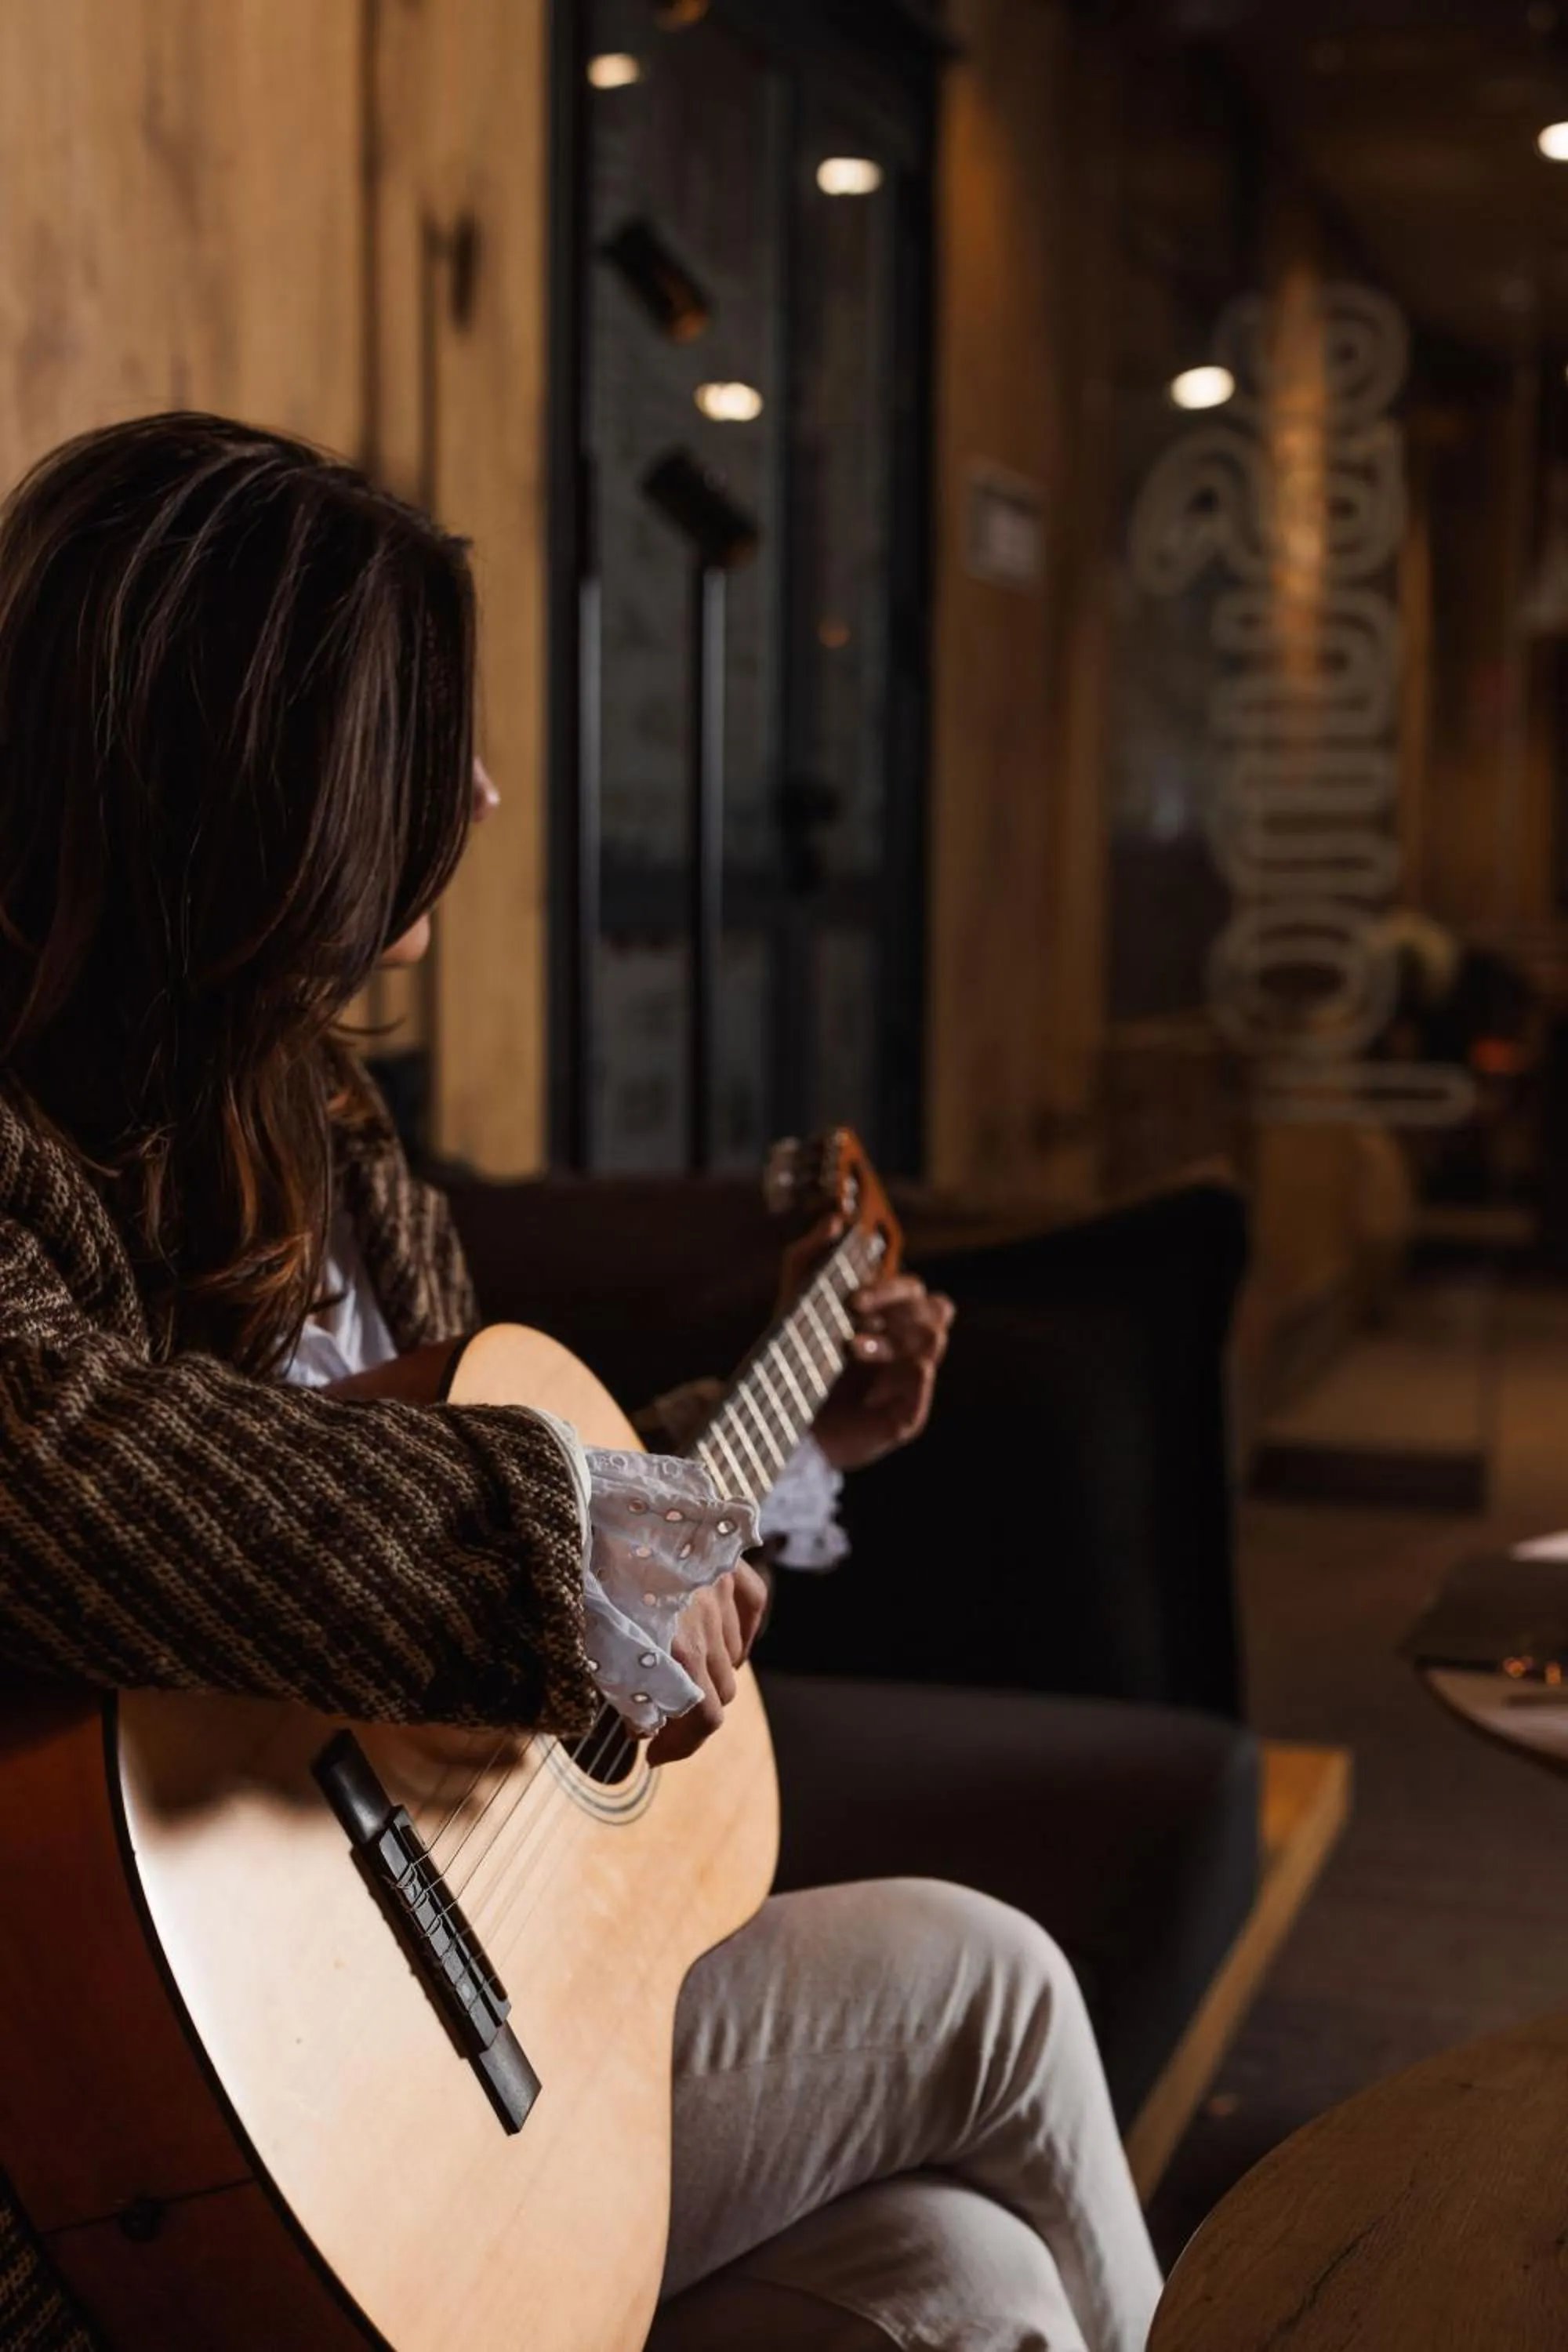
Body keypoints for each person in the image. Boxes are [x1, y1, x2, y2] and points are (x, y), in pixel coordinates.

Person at [0, 413, 1162, 2352]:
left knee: (961, 2288)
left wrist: (766, 1468)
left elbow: (489, 1628)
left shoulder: (332, 1124)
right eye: (419, 739)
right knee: (993, 1985)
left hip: (439, 2056)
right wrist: (583, 1546)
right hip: (173, 2121)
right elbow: (57, 1452)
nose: (482, 788)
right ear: (254, 779)